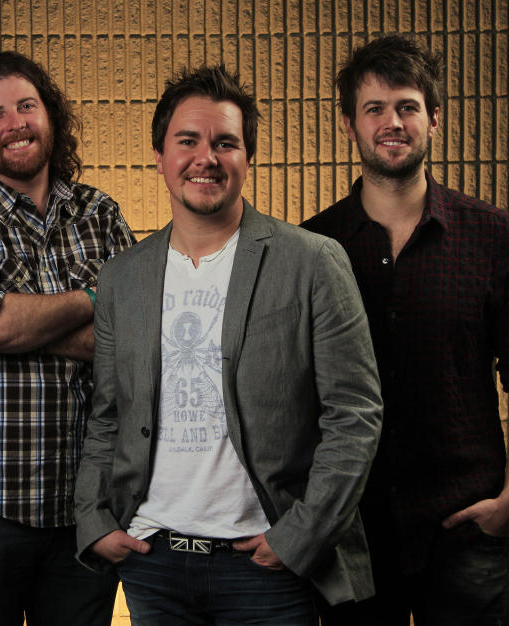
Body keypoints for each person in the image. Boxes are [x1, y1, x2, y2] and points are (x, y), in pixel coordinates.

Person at [73, 65, 383, 625]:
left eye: (225, 143)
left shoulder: (311, 262)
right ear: (161, 155)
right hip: (154, 560)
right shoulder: (124, 277)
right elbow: (108, 414)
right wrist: (94, 520)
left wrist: (300, 536)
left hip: (266, 565)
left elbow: (355, 415)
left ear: (248, 157)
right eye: (187, 141)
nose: (206, 158)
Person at [301, 34, 509, 626]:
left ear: (434, 118)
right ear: (349, 125)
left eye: (407, 107)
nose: (392, 122)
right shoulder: (313, 248)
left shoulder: (493, 236)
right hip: (352, 533)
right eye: (374, 109)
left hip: (466, 528)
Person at [0, 51, 135, 625]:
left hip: (83, 505)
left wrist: (25, 323)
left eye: (27, 105)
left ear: (51, 116)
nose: (15, 122)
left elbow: (133, 337)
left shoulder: (99, 213)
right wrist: (91, 300)